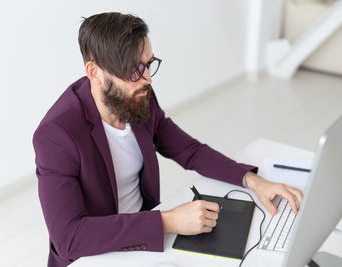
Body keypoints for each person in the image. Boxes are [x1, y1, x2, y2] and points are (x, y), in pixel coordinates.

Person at [32, 12, 303, 267]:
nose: (148, 79)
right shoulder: (56, 135)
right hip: (97, 254)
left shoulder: (139, 97)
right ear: (94, 73)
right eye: (135, 70)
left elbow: (189, 150)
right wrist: (167, 222)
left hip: (146, 240)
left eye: (149, 64)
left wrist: (254, 181)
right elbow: (69, 238)